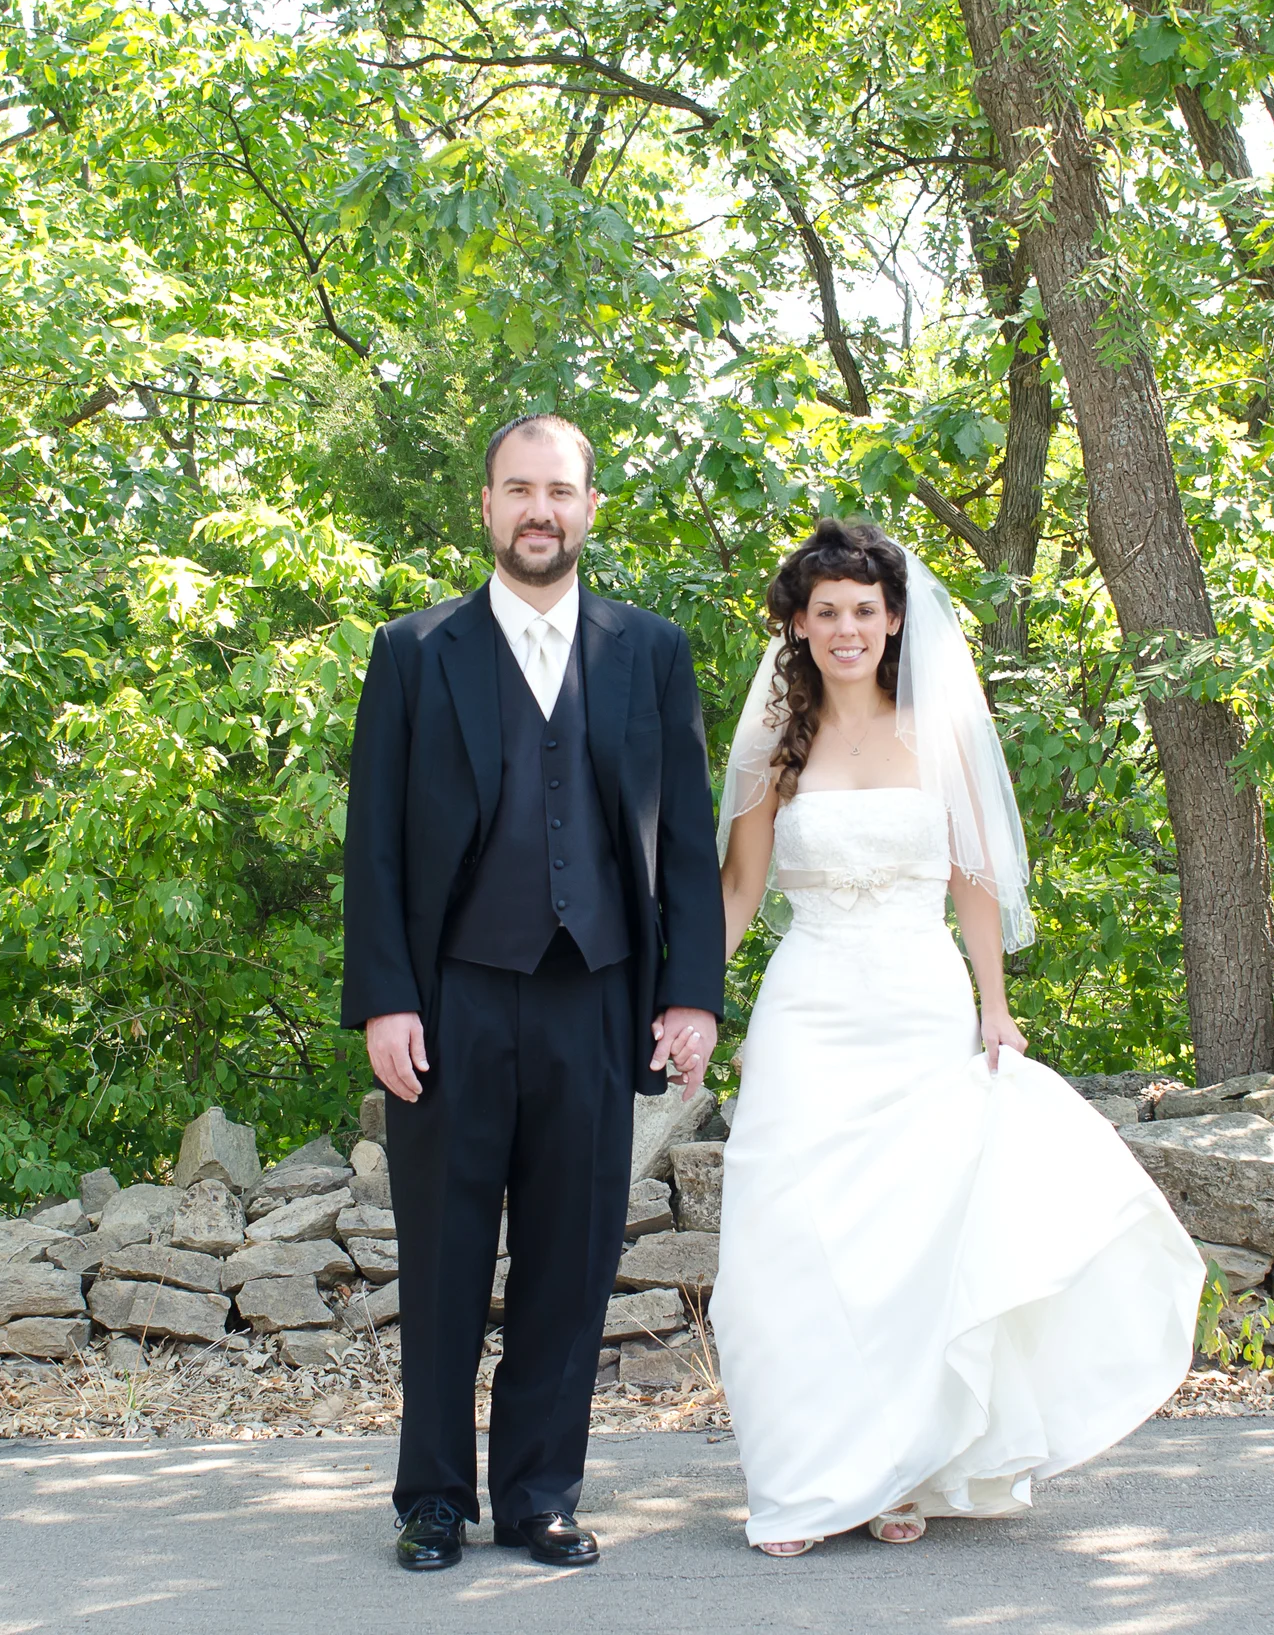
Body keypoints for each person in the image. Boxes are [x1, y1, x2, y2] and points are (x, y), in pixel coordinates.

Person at [710, 519, 1203, 1556]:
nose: (847, 628)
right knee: (788, 1243)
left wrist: (994, 1003)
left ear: (893, 619)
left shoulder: (938, 730)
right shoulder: (772, 744)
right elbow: (742, 891)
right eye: (826, 610)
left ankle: (903, 1471)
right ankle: (804, 1480)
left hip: (918, 1003)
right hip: (808, 1006)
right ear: (797, 625)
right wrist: (691, 996)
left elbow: (975, 880)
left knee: (909, 1248)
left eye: (864, 609)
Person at [341, 413, 726, 1573]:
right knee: (445, 1259)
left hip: (595, 998)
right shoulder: (414, 650)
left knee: (569, 1259)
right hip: (450, 999)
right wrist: (385, 998)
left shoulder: (649, 651)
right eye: (519, 488)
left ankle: (543, 1491)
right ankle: (433, 1499)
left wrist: (691, 991)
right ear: (488, 506)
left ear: (591, 506)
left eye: (559, 489)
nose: (539, 509)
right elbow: (375, 845)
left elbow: (687, 844)